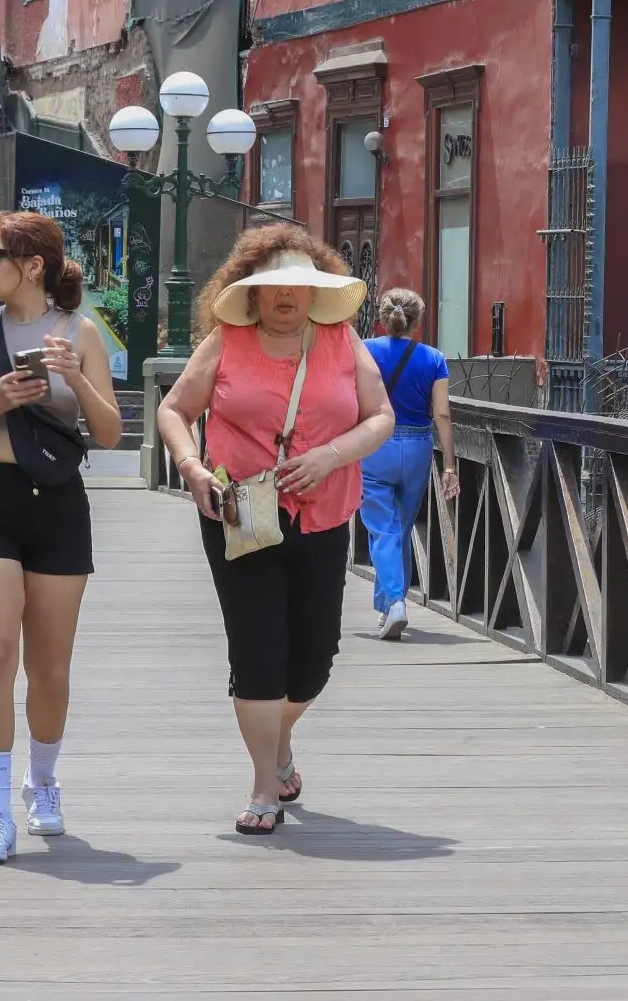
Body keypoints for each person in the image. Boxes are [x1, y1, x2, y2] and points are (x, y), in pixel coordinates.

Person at [157, 225, 393, 836]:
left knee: (315, 657)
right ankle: (265, 783)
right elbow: (174, 410)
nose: (287, 295)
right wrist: (190, 464)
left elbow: (382, 418)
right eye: (273, 286)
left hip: (324, 516)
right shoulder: (225, 343)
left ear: (316, 293)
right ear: (251, 294)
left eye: (299, 285)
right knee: (257, 649)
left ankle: (279, 736)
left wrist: (331, 456)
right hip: (241, 514)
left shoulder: (343, 342)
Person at [0, 210, 123, 865]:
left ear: (31, 265)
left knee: (49, 667)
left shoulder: (80, 332)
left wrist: (75, 377)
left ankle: (42, 781)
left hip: (59, 505)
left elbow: (113, 432)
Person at [360, 289, 460, 640]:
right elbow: (443, 413)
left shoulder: (364, 351)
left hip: (375, 443)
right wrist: (449, 466)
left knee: (383, 528)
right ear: (418, 321)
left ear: (382, 318)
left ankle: (396, 602)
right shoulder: (434, 358)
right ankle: (387, 606)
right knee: (400, 527)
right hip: (418, 446)